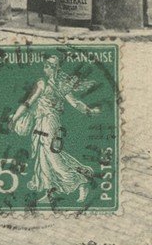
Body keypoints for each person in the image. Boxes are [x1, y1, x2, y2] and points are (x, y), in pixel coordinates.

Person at [9, 55, 100, 203]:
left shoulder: (45, 83)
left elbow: (28, 102)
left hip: (48, 122)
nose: (45, 68)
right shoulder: (60, 85)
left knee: (52, 155)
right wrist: (89, 111)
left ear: (53, 68)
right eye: (45, 65)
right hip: (44, 122)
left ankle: (80, 182)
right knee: (44, 155)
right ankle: (50, 192)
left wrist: (14, 118)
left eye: (48, 66)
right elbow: (75, 103)